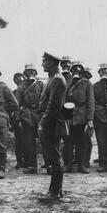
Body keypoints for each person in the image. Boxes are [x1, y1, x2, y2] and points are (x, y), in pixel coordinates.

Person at [37, 52, 67, 202]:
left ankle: (55, 193)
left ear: (53, 63)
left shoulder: (58, 80)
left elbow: (54, 106)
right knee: (52, 157)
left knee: (54, 158)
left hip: (52, 123)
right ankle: (55, 190)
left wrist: (43, 122)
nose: (42, 64)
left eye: (45, 61)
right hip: (49, 122)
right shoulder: (52, 79)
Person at [63, 61, 94, 174]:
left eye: (79, 69)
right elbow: (64, 100)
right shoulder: (67, 83)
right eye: (74, 69)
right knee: (68, 142)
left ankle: (81, 165)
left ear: (82, 71)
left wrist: (89, 119)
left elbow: (91, 103)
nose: (76, 71)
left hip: (81, 115)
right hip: (69, 115)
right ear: (71, 71)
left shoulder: (87, 84)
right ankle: (68, 164)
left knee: (81, 142)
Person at [15, 64, 44, 174]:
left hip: (39, 115)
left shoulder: (41, 85)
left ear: (35, 73)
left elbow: (45, 99)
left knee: (45, 141)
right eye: (28, 72)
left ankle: (50, 164)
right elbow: (17, 105)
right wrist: (19, 118)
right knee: (28, 141)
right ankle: (31, 165)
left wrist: (44, 114)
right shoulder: (21, 87)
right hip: (27, 116)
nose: (30, 74)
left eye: (32, 71)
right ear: (25, 74)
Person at [12, 72, 27, 170]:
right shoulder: (13, 93)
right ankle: (19, 161)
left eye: (20, 79)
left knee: (28, 141)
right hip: (17, 119)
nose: (19, 81)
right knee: (19, 141)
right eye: (17, 80)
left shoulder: (27, 91)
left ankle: (27, 161)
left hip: (26, 117)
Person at [81, 67, 94, 168]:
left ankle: (85, 161)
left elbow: (91, 104)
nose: (85, 77)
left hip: (85, 116)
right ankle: (78, 161)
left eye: (87, 75)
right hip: (76, 116)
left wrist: (89, 119)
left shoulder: (89, 85)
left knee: (86, 140)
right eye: (83, 75)